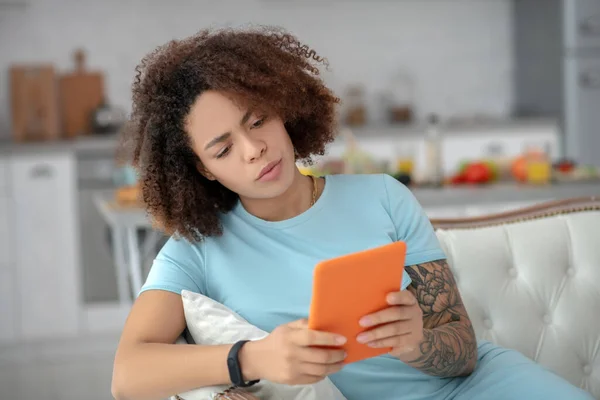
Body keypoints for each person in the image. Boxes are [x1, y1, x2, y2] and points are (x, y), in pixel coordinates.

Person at [111, 26, 593, 400]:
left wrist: (418, 342)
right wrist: (253, 358)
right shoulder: (196, 250)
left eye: (257, 120)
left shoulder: (383, 196)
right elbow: (127, 373)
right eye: (223, 148)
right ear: (204, 170)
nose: (254, 148)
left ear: (282, 109)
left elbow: (463, 353)